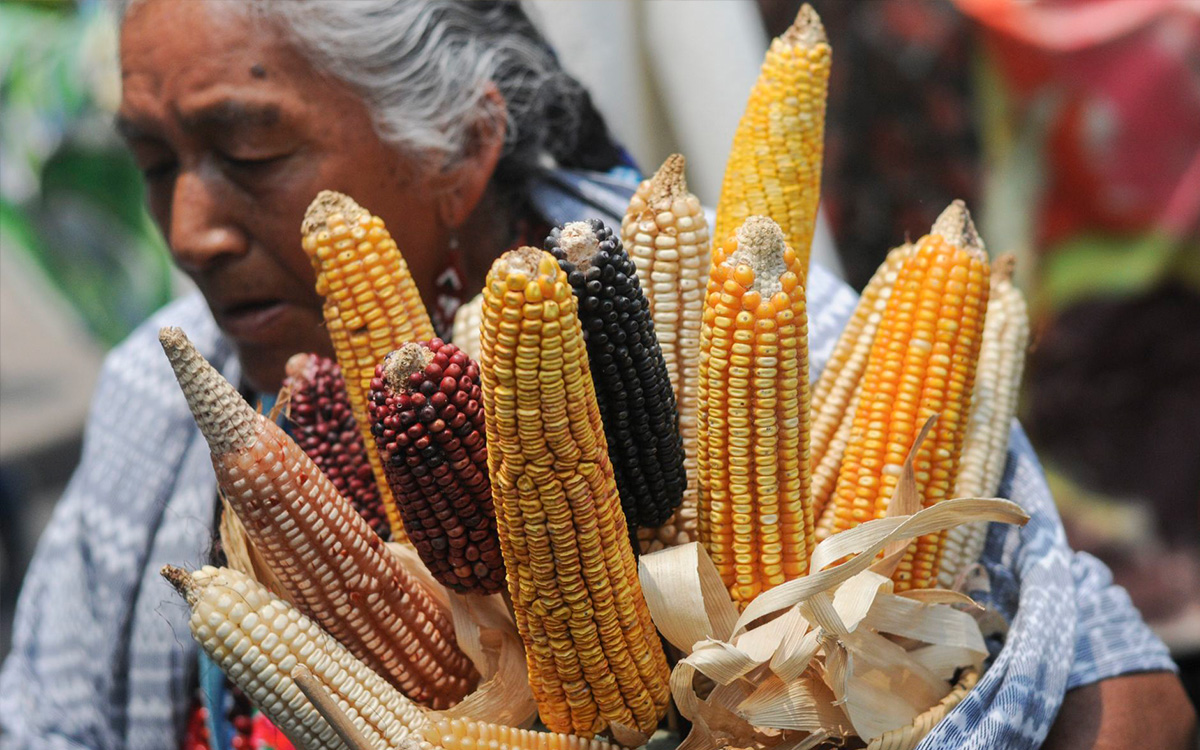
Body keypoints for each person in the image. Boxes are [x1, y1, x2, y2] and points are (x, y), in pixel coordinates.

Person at [0, 1, 1194, 749]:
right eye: (155, 165)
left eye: (250, 151)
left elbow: (1121, 685)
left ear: (465, 148)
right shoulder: (160, 397)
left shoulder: (794, 349)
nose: (192, 226)